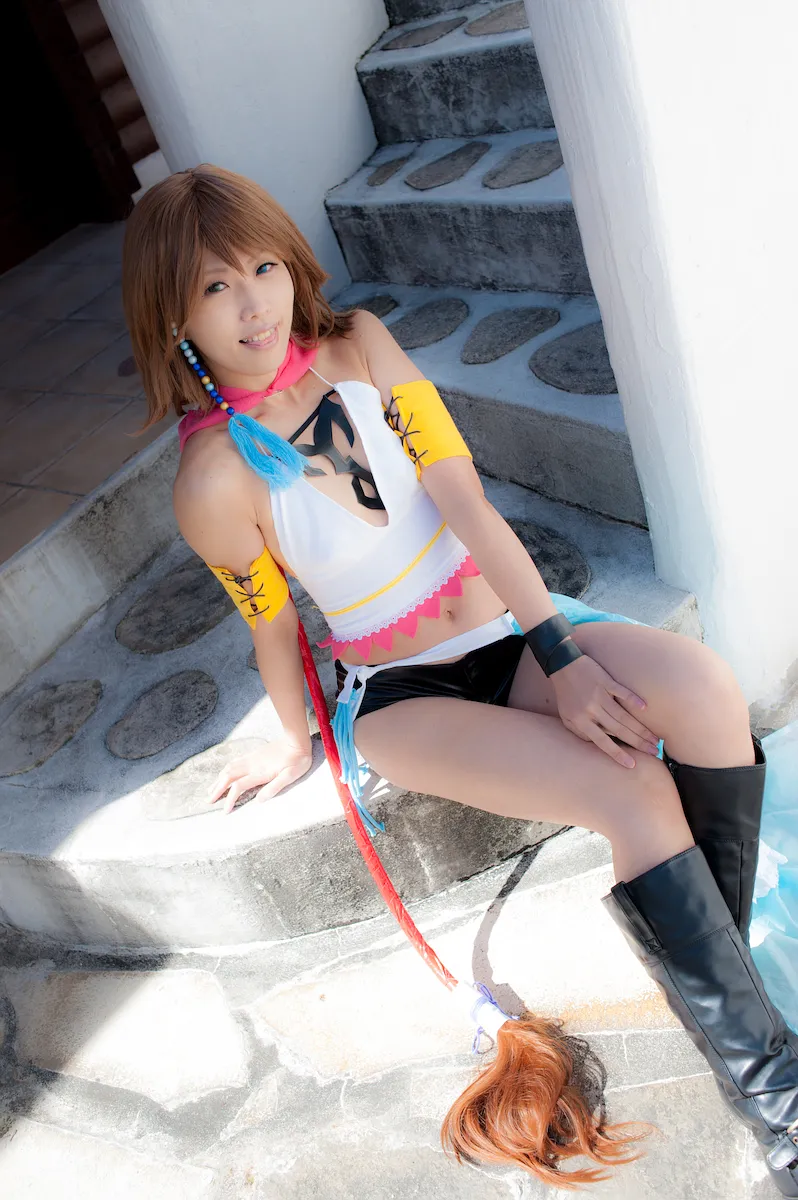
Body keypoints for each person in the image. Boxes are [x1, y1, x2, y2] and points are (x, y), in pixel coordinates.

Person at [121, 163, 798, 1193]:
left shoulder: (360, 347)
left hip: (510, 636)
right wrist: (295, 740)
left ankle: (726, 975)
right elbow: (273, 626)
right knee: (635, 792)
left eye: (263, 267)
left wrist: (561, 658)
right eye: (216, 287)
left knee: (704, 689)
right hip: (405, 697)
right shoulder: (211, 480)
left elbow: (470, 507)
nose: (254, 303)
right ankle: (782, 1112)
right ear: (173, 315)